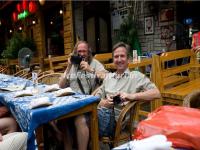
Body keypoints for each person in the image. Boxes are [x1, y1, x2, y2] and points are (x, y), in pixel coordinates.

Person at [95, 42, 161, 137]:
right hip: (100, 115)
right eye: (116, 57)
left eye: (122, 56)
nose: (119, 59)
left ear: (128, 59)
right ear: (113, 60)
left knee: (80, 120)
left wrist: (132, 96)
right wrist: (104, 102)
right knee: (76, 119)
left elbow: (156, 93)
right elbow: (96, 98)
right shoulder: (108, 77)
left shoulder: (136, 76)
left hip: (114, 124)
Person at [59, 40, 107, 150]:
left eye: (84, 51)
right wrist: (68, 67)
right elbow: (60, 86)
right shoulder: (72, 65)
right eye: (79, 51)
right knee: (62, 118)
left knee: (79, 119)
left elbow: (107, 77)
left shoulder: (94, 63)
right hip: (72, 103)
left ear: (88, 52)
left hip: (88, 105)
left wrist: (90, 69)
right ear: (75, 52)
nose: (82, 54)